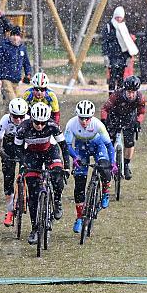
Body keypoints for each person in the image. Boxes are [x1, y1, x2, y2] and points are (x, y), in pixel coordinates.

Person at [13, 102, 69, 244]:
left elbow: (63, 146)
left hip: (50, 151)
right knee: (33, 193)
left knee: (57, 175)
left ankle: (57, 200)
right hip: (31, 154)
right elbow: (18, 149)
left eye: (42, 123)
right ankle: (35, 228)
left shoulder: (52, 125)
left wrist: (67, 167)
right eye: (37, 122)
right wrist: (24, 163)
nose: (39, 126)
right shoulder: (23, 128)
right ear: (32, 119)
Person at [64, 100, 116, 234]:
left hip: (98, 145)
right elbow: (67, 145)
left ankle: (105, 192)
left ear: (91, 117)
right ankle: (79, 218)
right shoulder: (71, 124)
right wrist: (75, 157)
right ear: (77, 116)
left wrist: (113, 163)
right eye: (82, 118)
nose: (85, 122)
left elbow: (109, 146)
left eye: (87, 118)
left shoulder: (98, 124)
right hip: (81, 149)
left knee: (105, 167)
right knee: (79, 184)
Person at [100, 75, 146, 180]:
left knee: (129, 142)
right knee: (109, 141)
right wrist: (103, 121)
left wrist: (138, 122)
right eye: (129, 92)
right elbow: (104, 109)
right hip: (114, 117)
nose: (131, 95)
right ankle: (109, 163)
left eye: (133, 92)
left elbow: (141, 112)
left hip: (129, 118)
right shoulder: (116, 95)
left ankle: (126, 164)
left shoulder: (140, 97)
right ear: (125, 90)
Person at [0, 97, 29, 226]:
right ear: (10, 114)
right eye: (15, 116)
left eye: (21, 116)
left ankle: (26, 194)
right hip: (9, 146)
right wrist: (4, 156)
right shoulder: (5, 120)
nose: (19, 120)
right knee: (8, 177)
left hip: (25, 146)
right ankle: (9, 211)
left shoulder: (29, 120)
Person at [102, 6, 139, 94]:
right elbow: (104, 41)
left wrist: (129, 55)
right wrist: (106, 54)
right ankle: (111, 96)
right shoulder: (109, 26)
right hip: (113, 55)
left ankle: (119, 95)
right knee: (112, 77)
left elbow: (128, 42)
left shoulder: (124, 26)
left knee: (121, 77)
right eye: (117, 17)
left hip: (123, 55)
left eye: (120, 17)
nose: (118, 19)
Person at [0, 26, 32, 102]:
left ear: (20, 37)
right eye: (13, 35)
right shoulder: (3, 46)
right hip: (5, 78)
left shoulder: (22, 48)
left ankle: (7, 114)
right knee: (13, 101)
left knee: (12, 105)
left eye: (17, 35)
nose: (15, 38)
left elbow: (26, 62)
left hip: (16, 79)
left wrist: (28, 74)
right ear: (10, 36)